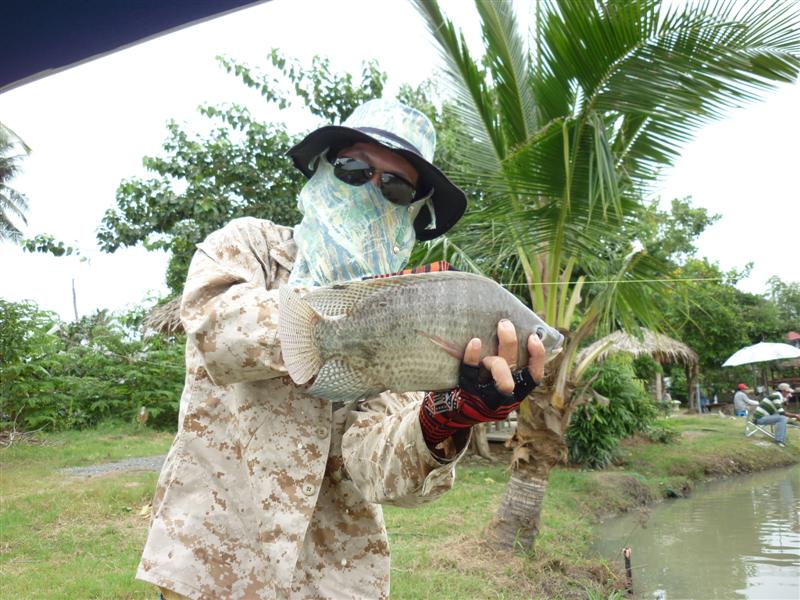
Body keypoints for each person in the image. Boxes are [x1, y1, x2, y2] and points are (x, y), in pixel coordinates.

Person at [136, 99, 547, 600]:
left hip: (335, 578)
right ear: (325, 170)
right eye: (355, 168)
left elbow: (374, 465)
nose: (373, 189)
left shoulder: (408, 316)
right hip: (210, 565)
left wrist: (444, 416)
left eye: (396, 186)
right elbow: (215, 332)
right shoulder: (248, 245)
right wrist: (351, 310)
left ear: (412, 213)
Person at [752, 383, 800, 448]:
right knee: (782, 418)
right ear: (783, 391)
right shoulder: (776, 396)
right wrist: (796, 415)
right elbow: (782, 412)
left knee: (783, 418)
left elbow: (779, 411)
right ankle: (779, 441)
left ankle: (782, 438)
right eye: (788, 392)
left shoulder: (777, 396)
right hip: (759, 418)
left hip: (762, 417)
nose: (789, 394)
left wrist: (785, 401)